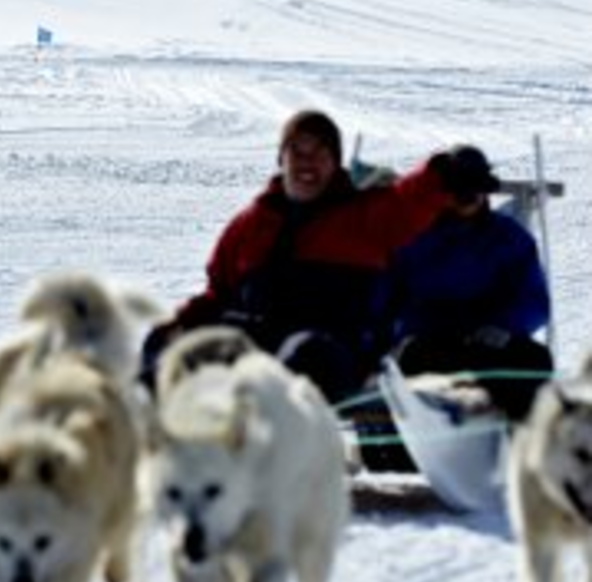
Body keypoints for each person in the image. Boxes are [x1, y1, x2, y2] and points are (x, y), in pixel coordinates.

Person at [140, 109, 481, 405]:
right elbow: (219, 293)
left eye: (319, 152)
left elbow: (409, 199)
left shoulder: (364, 217)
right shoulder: (248, 226)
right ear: (281, 158)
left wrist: (445, 172)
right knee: (175, 355)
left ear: (335, 163)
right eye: (297, 151)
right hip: (255, 340)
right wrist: (179, 326)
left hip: (331, 349)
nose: (307, 162)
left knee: (303, 358)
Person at [386, 145, 553, 422]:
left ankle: (520, 436)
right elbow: (387, 295)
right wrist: (408, 328)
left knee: (534, 361)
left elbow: (534, 300)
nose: (469, 198)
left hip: (490, 341)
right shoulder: (413, 235)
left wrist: (505, 326)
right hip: (428, 343)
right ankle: (418, 437)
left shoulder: (510, 238)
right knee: (409, 361)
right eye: (460, 189)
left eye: (476, 189)